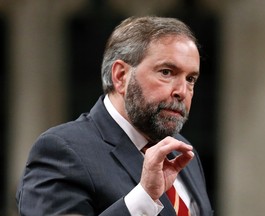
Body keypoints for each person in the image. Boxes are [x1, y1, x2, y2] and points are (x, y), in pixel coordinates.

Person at [16, 16, 213, 216]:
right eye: (166, 72)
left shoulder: (184, 152)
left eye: (190, 79)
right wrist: (144, 199)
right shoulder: (61, 151)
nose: (182, 91)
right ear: (120, 76)